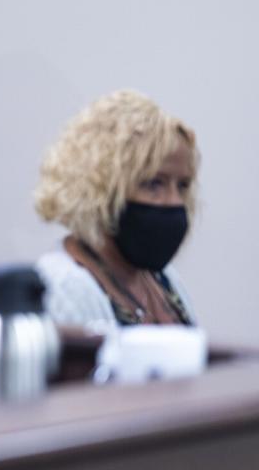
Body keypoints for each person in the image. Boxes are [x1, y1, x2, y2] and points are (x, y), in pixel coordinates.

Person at [34, 90, 199, 331]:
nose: (174, 201)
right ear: (101, 187)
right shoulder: (63, 287)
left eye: (182, 185)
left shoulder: (165, 281)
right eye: (153, 184)